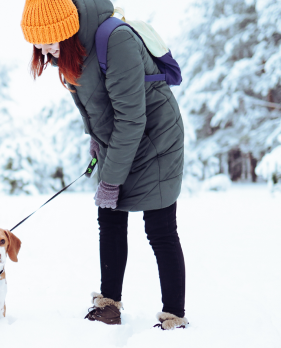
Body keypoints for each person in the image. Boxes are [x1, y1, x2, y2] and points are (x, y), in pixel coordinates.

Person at [20, 0, 188, 330]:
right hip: (121, 138)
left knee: (160, 228)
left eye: (50, 44)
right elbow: (92, 106)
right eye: (39, 48)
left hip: (155, 140)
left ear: (66, 30)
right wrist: (95, 139)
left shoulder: (115, 39)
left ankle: (174, 315)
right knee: (108, 217)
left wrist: (110, 180)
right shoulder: (68, 52)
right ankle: (108, 304)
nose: (47, 54)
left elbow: (132, 118)